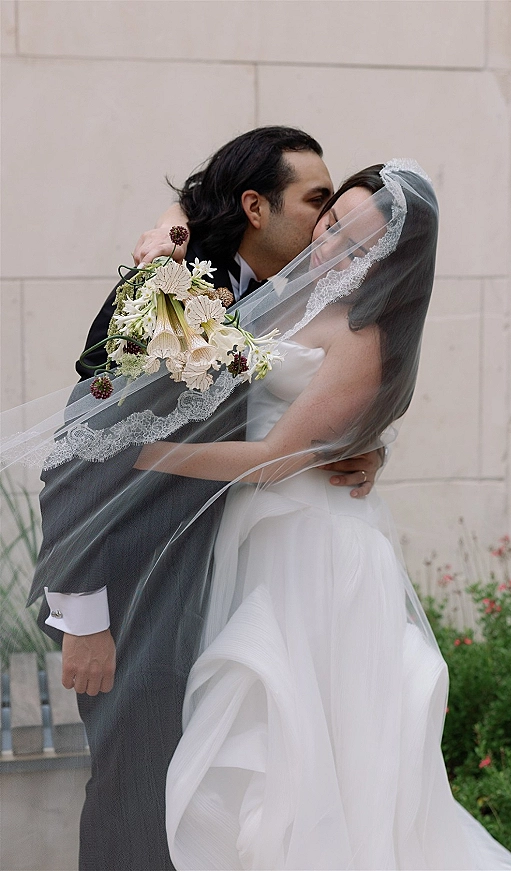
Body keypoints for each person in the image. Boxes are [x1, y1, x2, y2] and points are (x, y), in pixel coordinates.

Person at [128, 161, 511, 871]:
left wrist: (146, 458)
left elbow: (277, 455)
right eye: (333, 221)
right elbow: (226, 355)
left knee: (306, 752)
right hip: (265, 535)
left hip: (316, 551)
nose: (333, 244)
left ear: (391, 260)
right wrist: (163, 253)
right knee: (274, 741)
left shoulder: (366, 335)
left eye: (359, 243)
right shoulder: (290, 295)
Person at [24, 127, 382, 871]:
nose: (326, 221)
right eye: (316, 200)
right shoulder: (169, 284)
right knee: (135, 789)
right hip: (127, 589)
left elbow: (281, 418)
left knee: (201, 800)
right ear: (256, 205)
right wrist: (86, 613)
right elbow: (79, 451)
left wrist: (347, 447)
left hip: (217, 584)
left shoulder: (290, 298)